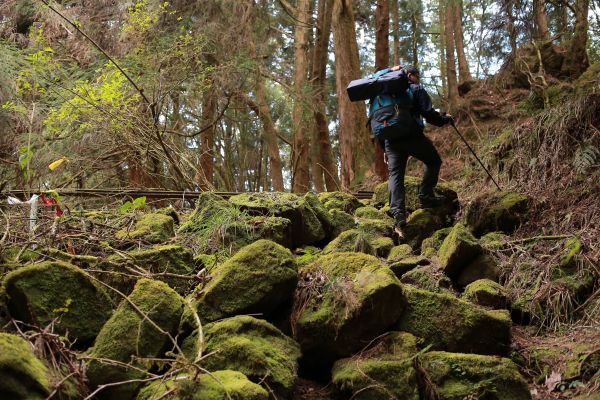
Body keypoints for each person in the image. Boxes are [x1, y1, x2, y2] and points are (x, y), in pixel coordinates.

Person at [382, 65, 453, 230]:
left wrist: (384, 148)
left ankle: (398, 214)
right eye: (416, 75)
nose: (417, 79)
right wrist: (445, 119)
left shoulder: (385, 95)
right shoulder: (415, 88)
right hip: (411, 136)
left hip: (391, 141)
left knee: (395, 175)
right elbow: (429, 114)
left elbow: (379, 122)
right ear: (410, 75)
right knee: (434, 161)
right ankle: (425, 196)